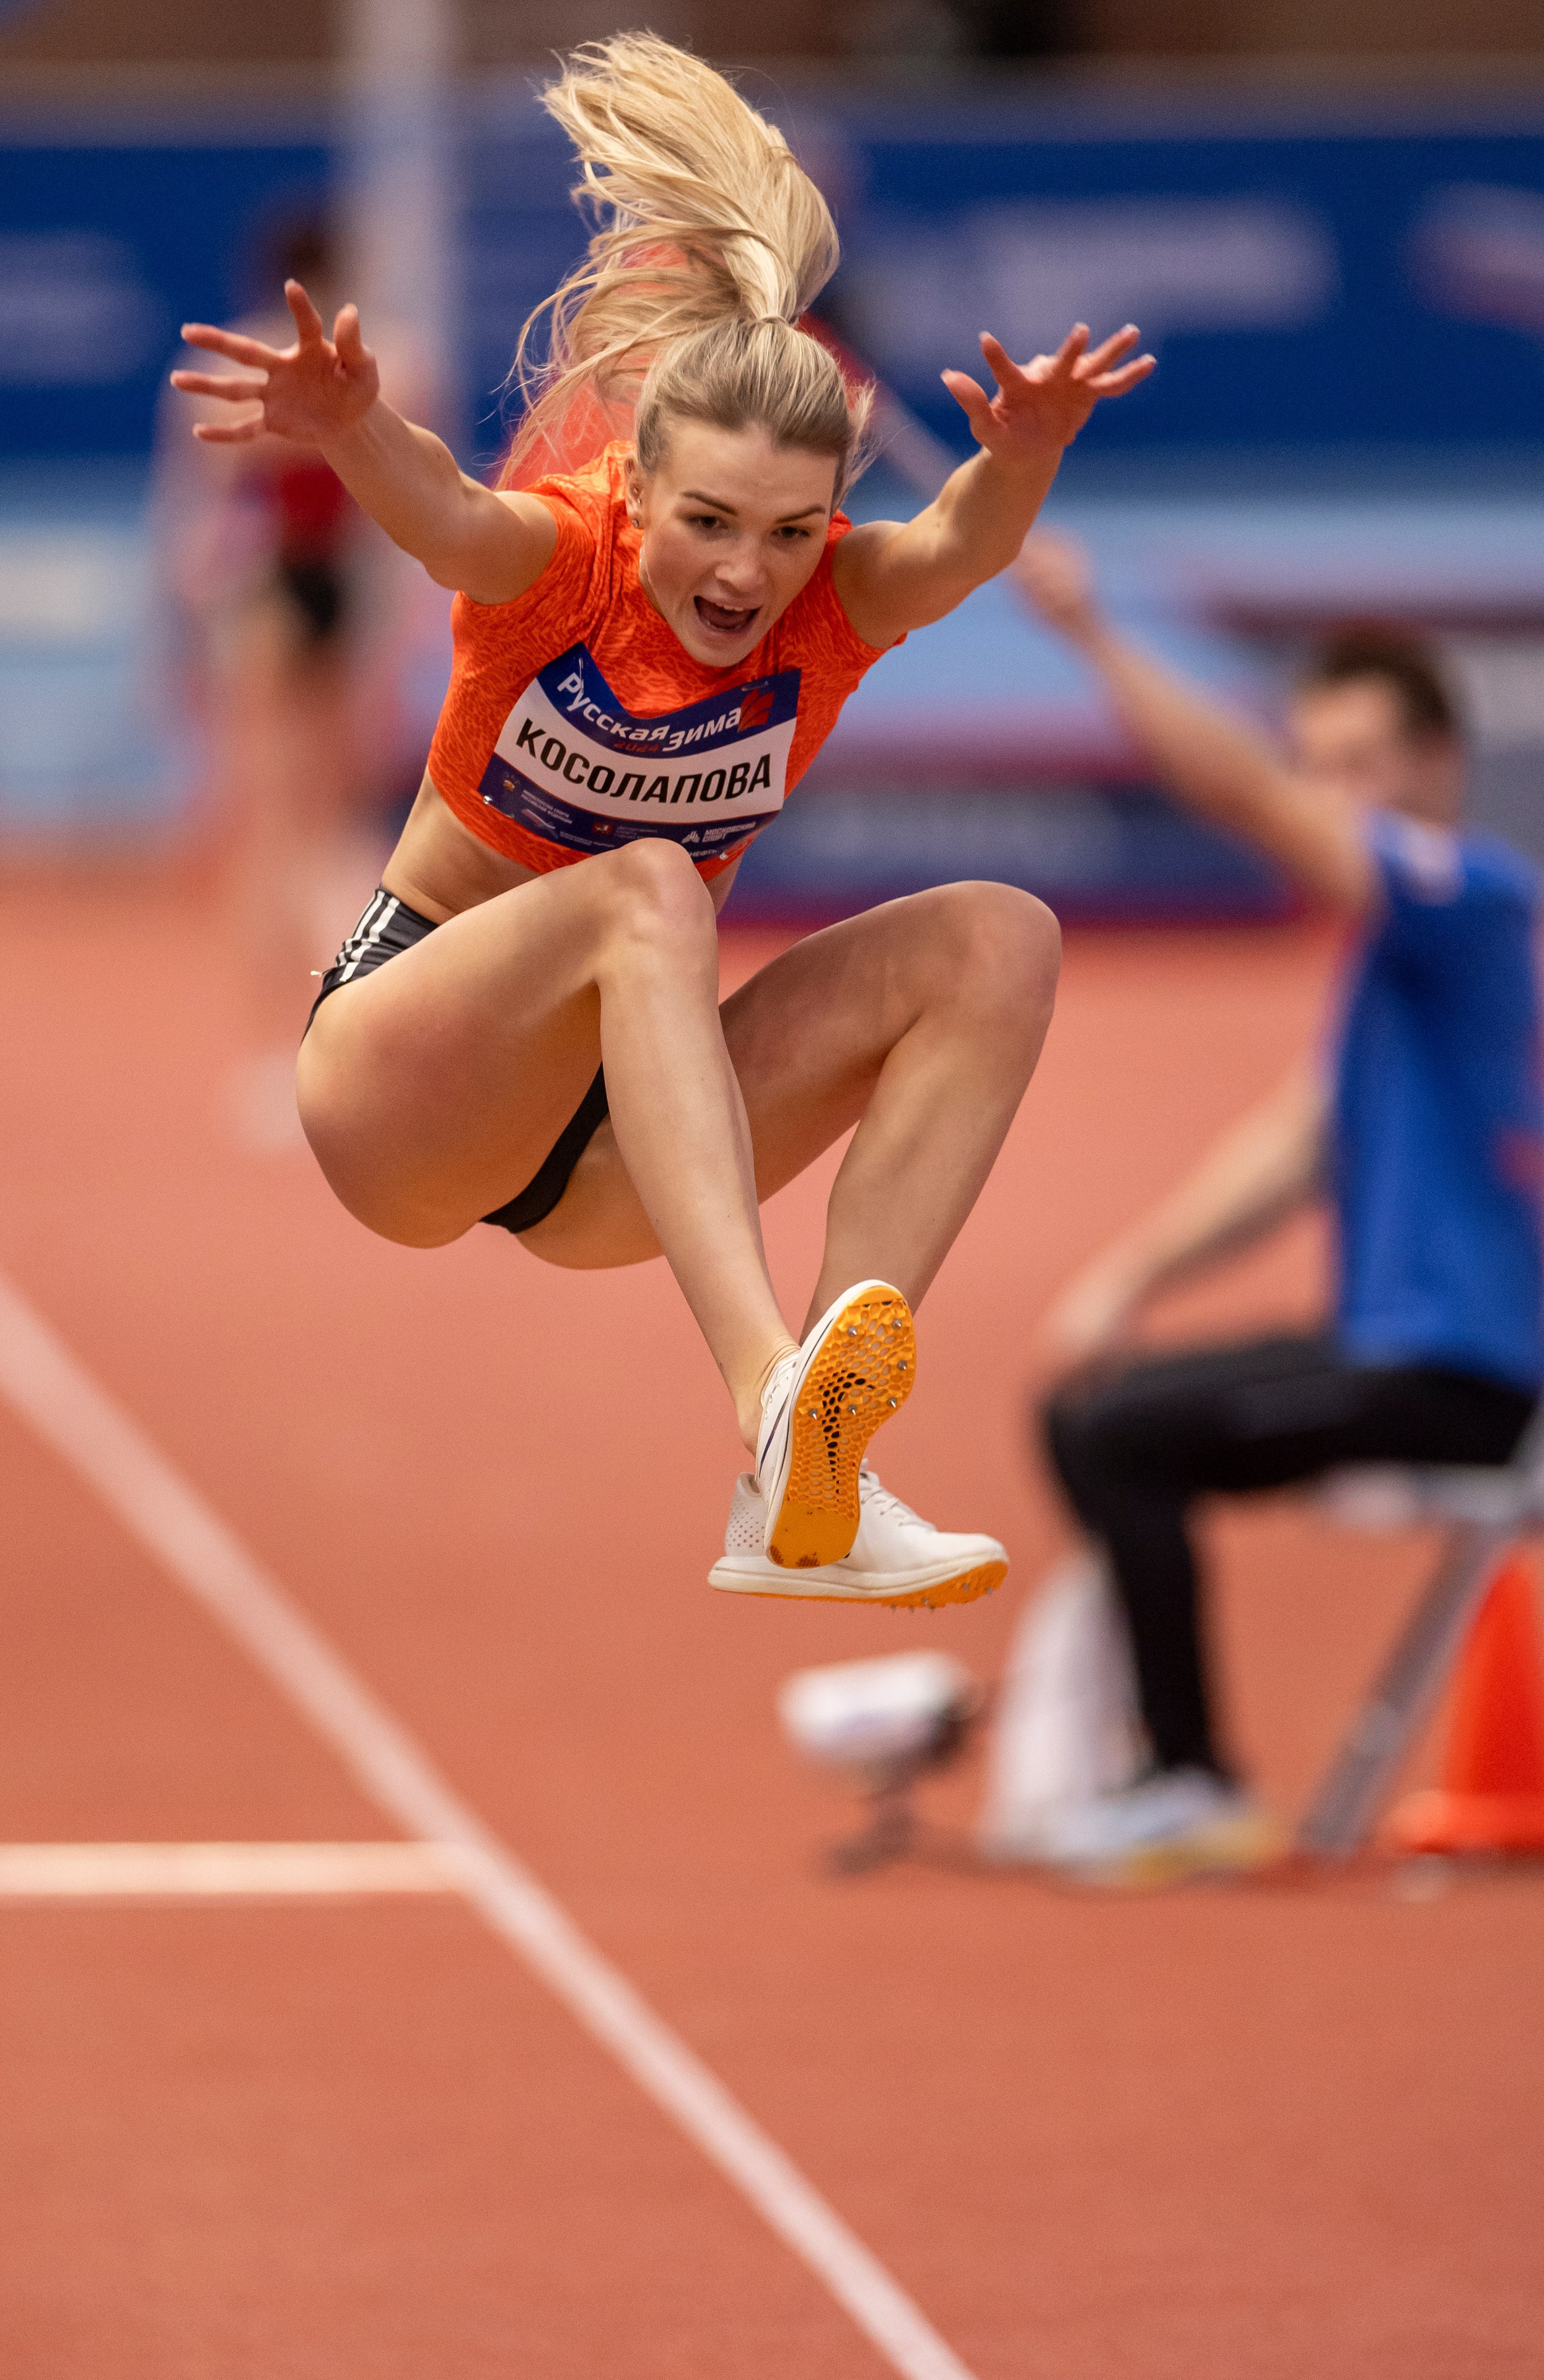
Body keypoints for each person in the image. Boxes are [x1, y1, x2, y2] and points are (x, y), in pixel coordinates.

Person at [170, 35, 1152, 1607]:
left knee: (996, 939)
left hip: (617, 1152)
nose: (742, 573)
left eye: (783, 531)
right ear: (636, 488)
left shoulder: (829, 603)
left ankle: (821, 1451)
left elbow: (957, 543)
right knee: (645, 889)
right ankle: (766, 1394)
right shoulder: (551, 558)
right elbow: (435, 504)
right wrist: (352, 425)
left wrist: (1016, 459)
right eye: (703, 521)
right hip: (406, 1074)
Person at [1001, 528, 1543, 1879]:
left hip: (1466, 1371)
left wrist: (1090, 638)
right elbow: (1292, 1148)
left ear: (1437, 767)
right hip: (1396, 1347)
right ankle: (1168, 1770)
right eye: (1321, 768)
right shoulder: (1391, 963)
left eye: (1365, 768)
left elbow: (1246, 802)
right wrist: (1130, 1275)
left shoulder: (1468, 898)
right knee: (1095, 1414)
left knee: (1118, 1438)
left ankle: (1187, 1783)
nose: (1335, 800)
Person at [152, 217, 428, 1149]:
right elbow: (403, 522)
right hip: (321, 583)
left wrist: (182, 641)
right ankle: (330, 1048)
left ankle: (289, 1051)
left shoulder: (254, 362)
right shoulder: (391, 361)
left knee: (279, 831)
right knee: (319, 828)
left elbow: (190, 525)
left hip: (276, 585)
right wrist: (391, 643)